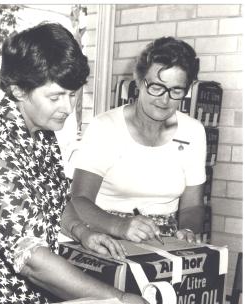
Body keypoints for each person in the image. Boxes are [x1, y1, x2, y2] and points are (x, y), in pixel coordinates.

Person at [0, 23, 162, 304]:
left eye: (73, 95)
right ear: (18, 89)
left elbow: (53, 198)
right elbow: (32, 260)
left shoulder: (40, 129)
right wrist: (121, 301)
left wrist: (81, 231)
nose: (67, 108)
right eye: (55, 97)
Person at [69, 36, 206, 246]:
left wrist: (187, 229)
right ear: (139, 82)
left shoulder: (193, 132)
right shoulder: (104, 128)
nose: (164, 99)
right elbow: (78, 201)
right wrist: (120, 225)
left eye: (176, 90)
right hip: (105, 236)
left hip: (164, 240)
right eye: (156, 87)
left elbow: (192, 206)